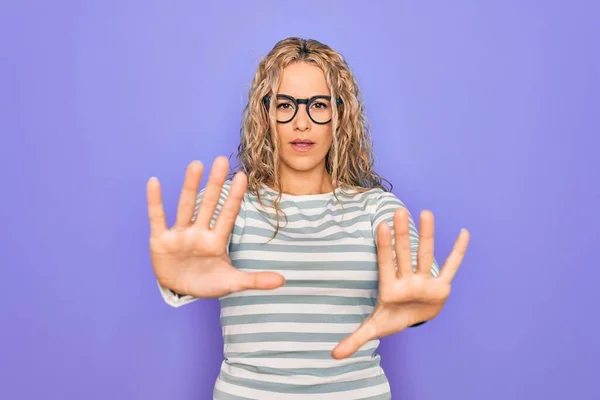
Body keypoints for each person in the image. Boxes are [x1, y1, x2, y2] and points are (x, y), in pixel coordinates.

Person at [146, 37, 470, 400]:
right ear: (264, 115)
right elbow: (194, 249)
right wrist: (180, 281)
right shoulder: (228, 202)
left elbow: (414, 267)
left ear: (340, 114)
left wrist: (420, 298)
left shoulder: (377, 208)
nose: (302, 122)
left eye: (318, 105)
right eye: (285, 105)